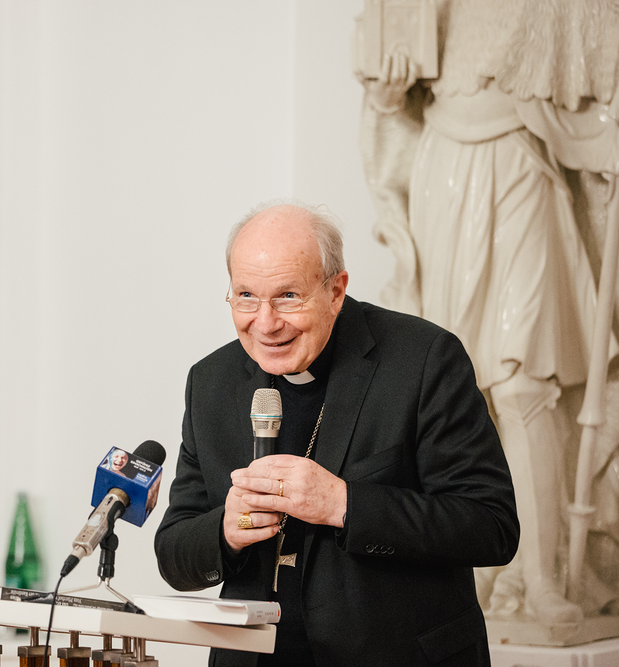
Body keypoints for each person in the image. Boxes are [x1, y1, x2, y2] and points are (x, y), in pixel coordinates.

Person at [154, 201, 519, 667]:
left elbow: (491, 526)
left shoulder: (424, 360)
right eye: (245, 296)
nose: (265, 323)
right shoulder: (211, 382)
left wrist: (343, 504)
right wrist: (227, 530)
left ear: (335, 291)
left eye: (288, 296)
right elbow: (174, 553)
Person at [356, 0, 619, 628]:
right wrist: (387, 94)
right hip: (445, 171)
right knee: (458, 382)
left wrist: (601, 134)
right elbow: (391, 98)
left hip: (525, 162)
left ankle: (544, 578)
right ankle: (472, 571)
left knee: (526, 383)